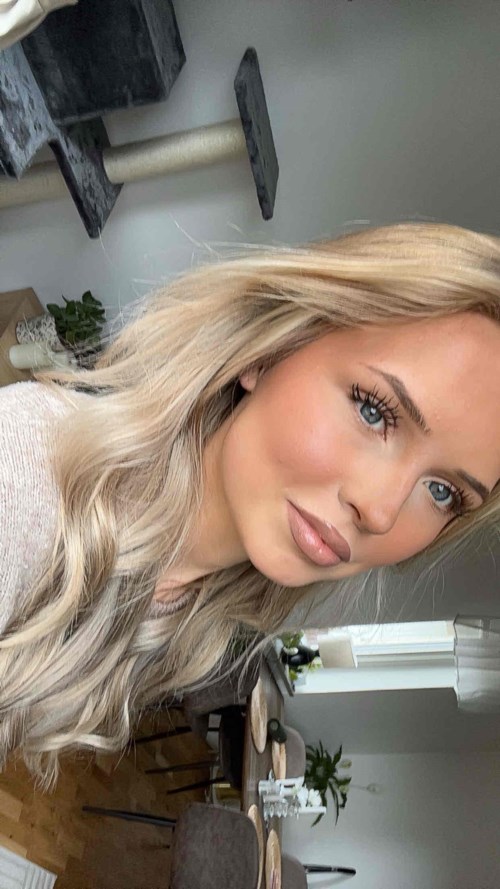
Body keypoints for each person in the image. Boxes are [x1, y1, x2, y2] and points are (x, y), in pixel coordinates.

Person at [1, 221, 500, 787]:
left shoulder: (191, 611)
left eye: (442, 492)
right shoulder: (26, 477)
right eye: (373, 410)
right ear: (268, 352)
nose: (381, 512)